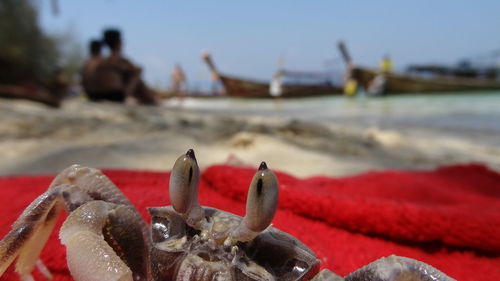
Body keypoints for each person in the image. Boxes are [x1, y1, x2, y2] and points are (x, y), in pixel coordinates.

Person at [93, 29, 158, 105]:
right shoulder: (118, 61)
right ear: (119, 42)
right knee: (136, 74)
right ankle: (152, 101)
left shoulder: (102, 62)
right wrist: (136, 74)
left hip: (101, 95)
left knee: (134, 74)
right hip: (115, 97)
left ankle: (151, 100)